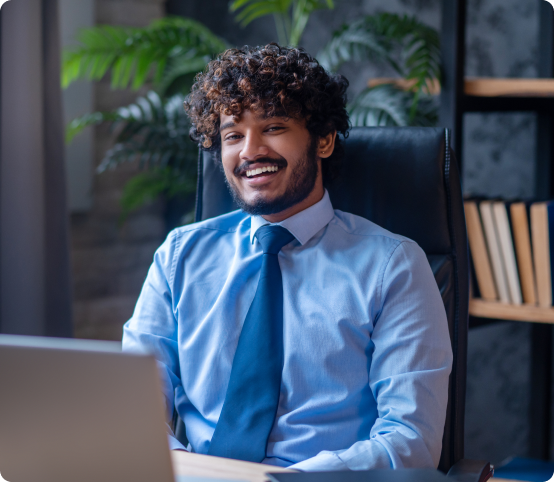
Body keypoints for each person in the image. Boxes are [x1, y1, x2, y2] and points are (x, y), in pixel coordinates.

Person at [122, 43, 453, 472]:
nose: (250, 151)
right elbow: (134, 410)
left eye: (274, 126)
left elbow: (410, 442)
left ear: (324, 139)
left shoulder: (393, 266)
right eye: (233, 135)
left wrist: (282, 481)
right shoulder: (179, 257)